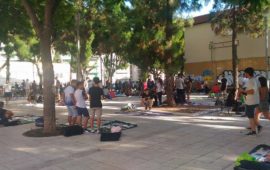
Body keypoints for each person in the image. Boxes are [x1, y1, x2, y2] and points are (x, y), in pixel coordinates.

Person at [238, 67, 260, 135]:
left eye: (245, 73)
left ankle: (253, 130)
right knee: (253, 115)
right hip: (255, 100)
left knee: (250, 116)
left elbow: (252, 91)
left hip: (251, 101)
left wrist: (243, 91)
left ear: (247, 73)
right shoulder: (255, 79)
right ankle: (255, 127)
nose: (244, 74)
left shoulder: (251, 81)